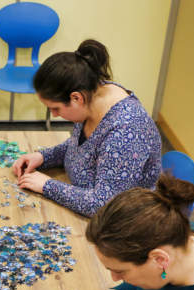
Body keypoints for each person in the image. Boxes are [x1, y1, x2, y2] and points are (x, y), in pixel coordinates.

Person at [11, 39, 161, 217]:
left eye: (56, 108)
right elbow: (82, 147)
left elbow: (104, 205)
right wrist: (43, 157)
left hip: (124, 220)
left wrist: (47, 185)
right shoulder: (91, 93)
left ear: (76, 98)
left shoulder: (127, 131)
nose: (54, 115)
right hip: (80, 202)